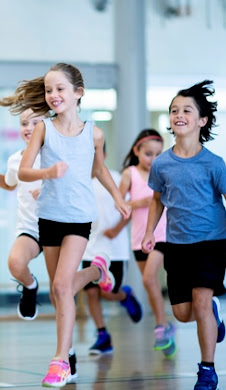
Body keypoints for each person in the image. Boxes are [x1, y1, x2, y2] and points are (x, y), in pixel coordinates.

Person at [0, 62, 131, 388]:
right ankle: (97, 273)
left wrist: (118, 197)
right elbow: (24, 171)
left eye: (60, 89)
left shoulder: (94, 132)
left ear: (78, 93)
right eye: (48, 90)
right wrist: (47, 173)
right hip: (49, 217)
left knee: (60, 287)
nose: (53, 95)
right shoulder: (43, 128)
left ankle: (59, 361)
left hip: (79, 217)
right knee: (63, 290)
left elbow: (99, 169)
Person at [142, 80, 226, 390]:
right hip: (177, 245)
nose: (179, 114)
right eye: (174, 110)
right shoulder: (161, 164)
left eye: (187, 110)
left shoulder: (213, 164)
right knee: (183, 313)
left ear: (202, 120)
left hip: (211, 243)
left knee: (200, 304)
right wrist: (149, 232)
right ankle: (213, 311)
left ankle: (207, 370)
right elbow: (157, 200)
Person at [116, 128, 175, 356]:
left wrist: (141, 202)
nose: (153, 159)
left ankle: (160, 326)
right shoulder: (129, 174)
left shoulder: (163, 174)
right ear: (137, 151)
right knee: (150, 285)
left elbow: (165, 200)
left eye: (158, 154)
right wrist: (135, 203)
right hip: (139, 239)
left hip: (162, 235)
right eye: (148, 153)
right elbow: (119, 203)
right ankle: (167, 327)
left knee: (150, 278)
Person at [82, 144, 143, 356]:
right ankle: (102, 336)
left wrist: (116, 230)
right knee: (91, 293)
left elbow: (130, 206)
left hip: (113, 249)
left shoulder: (116, 179)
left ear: (104, 155)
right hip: (87, 248)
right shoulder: (79, 180)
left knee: (107, 292)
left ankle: (124, 297)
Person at [0, 108, 45, 321]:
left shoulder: (56, 155)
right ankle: (30, 286)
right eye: (24, 123)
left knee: (63, 286)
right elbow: (9, 183)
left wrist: (48, 191)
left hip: (59, 227)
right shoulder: (16, 160)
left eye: (35, 123)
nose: (29, 128)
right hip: (31, 229)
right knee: (15, 263)